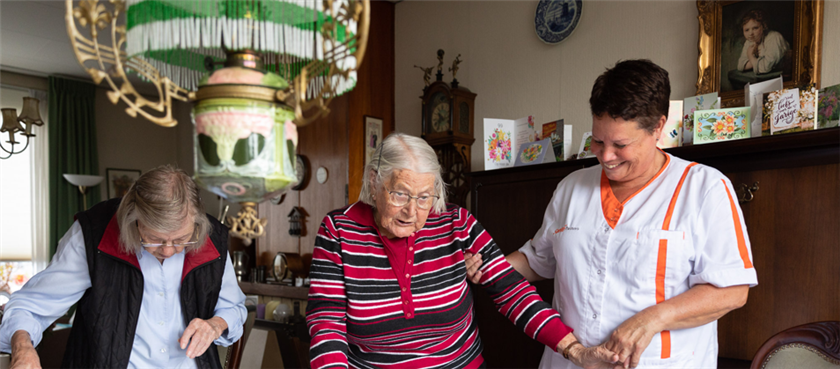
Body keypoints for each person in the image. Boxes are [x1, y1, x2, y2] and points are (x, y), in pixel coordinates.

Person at [467, 60, 757, 368]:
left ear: (658, 127)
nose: (606, 156)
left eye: (620, 144)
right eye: (598, 141)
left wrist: (652, 319)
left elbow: (732, 290)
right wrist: (485, 267)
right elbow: (538, 260)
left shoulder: (704, 188)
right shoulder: (571, 188)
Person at [306, 133, 620, 369]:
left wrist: (576, 351)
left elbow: (512, 291)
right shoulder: (339, 230)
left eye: (424, 197)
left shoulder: (456, 223)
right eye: (400, 194)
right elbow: (326, 323)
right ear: (374, 182)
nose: (412, 211)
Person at [0, 165, 246, 369]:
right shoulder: (93, 235)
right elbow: (30, 306)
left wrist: (215, 325)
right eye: (155, 239)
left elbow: (234, 308)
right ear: (133, 218)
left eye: (182, 240)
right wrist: (23, 348)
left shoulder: (211, 237)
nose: (169, 251)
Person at [736, 9, 790, 75]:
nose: (750, 33)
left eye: (755, 28)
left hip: (781, 76)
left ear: (764, 26)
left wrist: (751, 56)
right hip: (765, 76)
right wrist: (758, 62)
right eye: (747, 30)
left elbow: (765, 67)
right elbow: (740, 66)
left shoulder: (774, 37)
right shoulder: (749, 42)